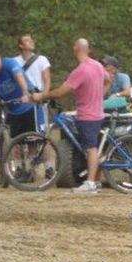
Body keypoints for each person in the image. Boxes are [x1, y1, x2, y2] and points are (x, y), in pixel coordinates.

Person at [32, 38, 110, 194]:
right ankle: (93, 180)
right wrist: (99, 96)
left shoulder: (80, 70)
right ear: (88, 50)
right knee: (91, 147)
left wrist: (42, 96)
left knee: (91, 148)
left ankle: (90, 184)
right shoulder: (97, 65)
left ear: (76, 49)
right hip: (97, 113)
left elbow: (61, 92)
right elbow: (108, 80)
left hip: (88, 116)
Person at [0, 49, 44, 138]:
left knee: (35, 140)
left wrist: (25, 93)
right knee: (12, 143)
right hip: (12, 110)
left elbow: (19, 76)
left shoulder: (9, 63)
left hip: (29, 106)